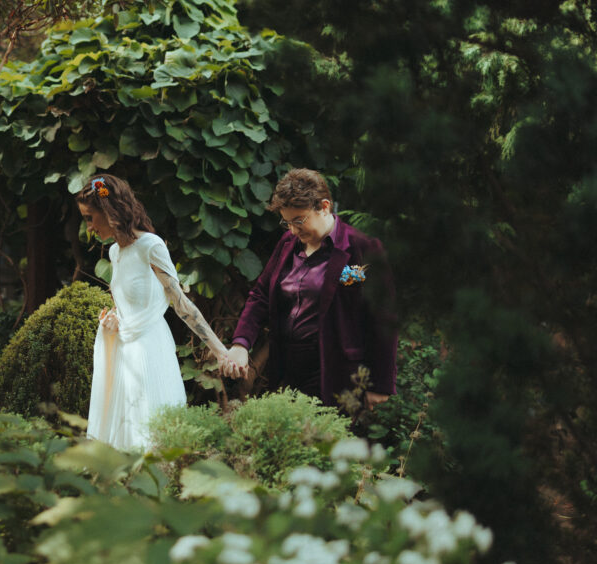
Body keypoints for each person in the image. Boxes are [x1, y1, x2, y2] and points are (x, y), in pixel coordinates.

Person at [77, 174, 232, 451]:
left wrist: (220, 351)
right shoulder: (114, 253)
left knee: (152, 437)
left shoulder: (151, 246)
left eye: (90, 218)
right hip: (124, 353)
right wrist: (114, 317)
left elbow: (181, 303)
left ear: (109, 211)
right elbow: (129, 302)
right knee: (124, 438)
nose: (88, 227)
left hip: (150, 351)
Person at [221, 168, 397, 409]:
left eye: (299, 221)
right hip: (287, 369)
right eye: (287, 222)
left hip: (336, 372)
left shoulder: (363, 249)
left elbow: (383, 318)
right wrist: (241, 344)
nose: (293, 230)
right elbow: (261, 294)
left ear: (324, 206)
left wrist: (381, 384)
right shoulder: (287, 244)